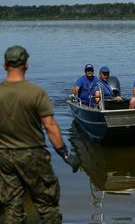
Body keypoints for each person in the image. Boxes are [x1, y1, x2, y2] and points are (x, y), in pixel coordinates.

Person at [0, 45, 79, 223]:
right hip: (33, 155)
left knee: (12, 205)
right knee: (47, 205)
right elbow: (50, 126)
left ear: (4, 65)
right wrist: (65, 154)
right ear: (26, 65)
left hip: (4, 157)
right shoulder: (36, 93)